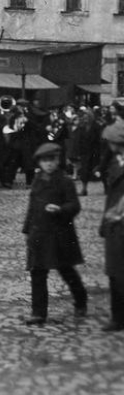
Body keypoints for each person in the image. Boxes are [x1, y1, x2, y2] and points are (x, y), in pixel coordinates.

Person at [22, 142, 87, 326]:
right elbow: (32, 207)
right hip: (39, 234)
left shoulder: (65, 181)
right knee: (38, 273)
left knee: (66, 270)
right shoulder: (37, 180)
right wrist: (27, 229)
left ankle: (81, 300)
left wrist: (60, 209)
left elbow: (75, 206)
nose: (48, 164)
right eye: (44, 161)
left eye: (51, 160)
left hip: (60, 235)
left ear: (58, 160)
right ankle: (38, 313)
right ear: (39, 163)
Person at [99, 121, 124, 331]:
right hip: (115, 225)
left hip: (120, 223)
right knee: (115, 273)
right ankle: (117, 317)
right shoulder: (116, 162)